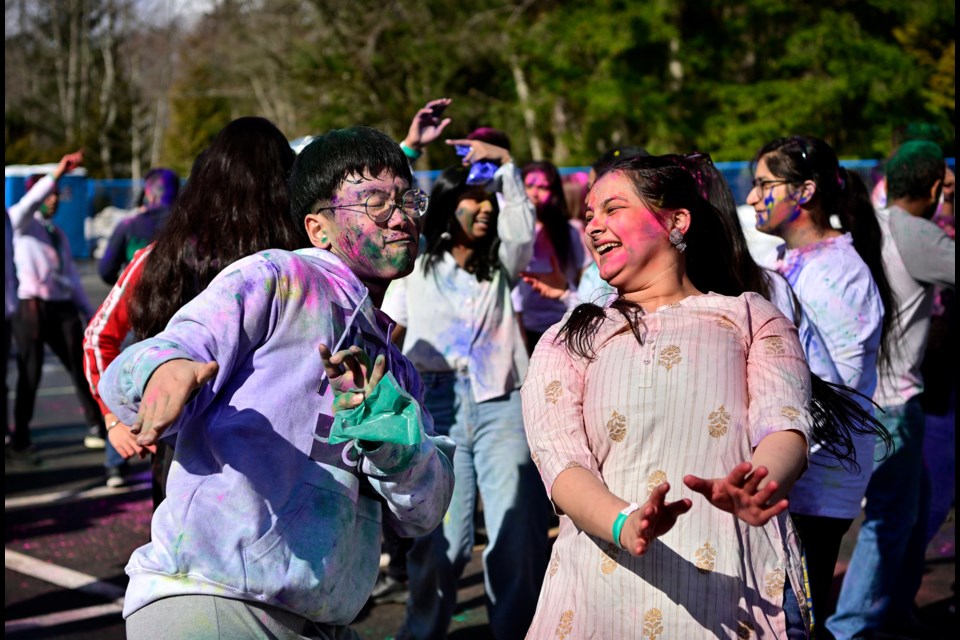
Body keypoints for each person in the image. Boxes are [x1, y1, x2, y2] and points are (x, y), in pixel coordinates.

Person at [98, 126, 455, 638]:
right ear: (318, 228)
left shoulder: (395, 368)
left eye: (407, 200)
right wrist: (163, 371)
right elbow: (166, 351)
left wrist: (389, 437)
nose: (401, 218)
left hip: (317, 620)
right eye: (375, 202)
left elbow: (425, 511)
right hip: (212, 600)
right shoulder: (278, 277)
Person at [522, 155, 812, 637]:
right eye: (590, 214)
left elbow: (784, 423)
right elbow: (561, 462)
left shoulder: (750, 317)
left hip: (731, 587)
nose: (594, 226)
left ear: (676, 220)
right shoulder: (567, 339)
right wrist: (624, 524)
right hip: (601, 592)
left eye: (613, 209)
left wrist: (760, 484)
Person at [383, 141, 550, 640]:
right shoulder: (416, 267)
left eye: (490, 202)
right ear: (449, 203)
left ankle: (515, 633)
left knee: (515, 538)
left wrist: (505, 166)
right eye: (473, 199)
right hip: (436, 407)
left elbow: (521, 229)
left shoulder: (501, 263)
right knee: (444, 543)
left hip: (503, 404)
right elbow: (389, 330)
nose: (484, 209)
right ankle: (422, 633)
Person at [83, 118, 298, 493]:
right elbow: (98, 337)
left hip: (208, 458)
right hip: (271, 450)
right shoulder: (303, 259)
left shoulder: (162, 256)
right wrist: (117, 418)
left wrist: (114, 417)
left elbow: (97, 337)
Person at [746, 135, 894, 630]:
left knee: (794, 620)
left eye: (764, 184)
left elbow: (844, 389)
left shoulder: (835, 272)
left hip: (815, 480)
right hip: (798, 473)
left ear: (804, 191)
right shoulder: (800, 263)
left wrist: (787, 449)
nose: (752, 197)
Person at [828, 141, 955, 640]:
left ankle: (895, 612)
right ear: (931, 190)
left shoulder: (872, 224)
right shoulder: (916, 233)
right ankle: (851, 628)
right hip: (897, 404)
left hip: (866, 398)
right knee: (886, 522)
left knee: (910, 511)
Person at [7, 150, 106, 461]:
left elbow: (72, 277)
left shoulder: (57, 234)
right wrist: (58, 173)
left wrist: (90, 313)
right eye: (48, 195)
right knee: (30, 373)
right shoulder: (20, 223)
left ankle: (96, 426)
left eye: (55, 196)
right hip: (31, 306)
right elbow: (29, 203)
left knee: (81, 366)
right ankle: (20, 438)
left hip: (60, 306)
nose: (53, 201)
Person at [513, 161, 592, 353]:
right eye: (529, 186)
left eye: (542, 187)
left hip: (565, 322)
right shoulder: (513, 233)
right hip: (525, 327)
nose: (534, 193)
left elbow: (586, 277)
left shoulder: (571, 231)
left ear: (555, 191)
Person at [97, 167, 179, 284]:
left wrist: (126, 286)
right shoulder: (188, 225)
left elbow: (106, 271)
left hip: (137, 296)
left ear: (147, 192)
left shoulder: (127, 225)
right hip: (180, 299)